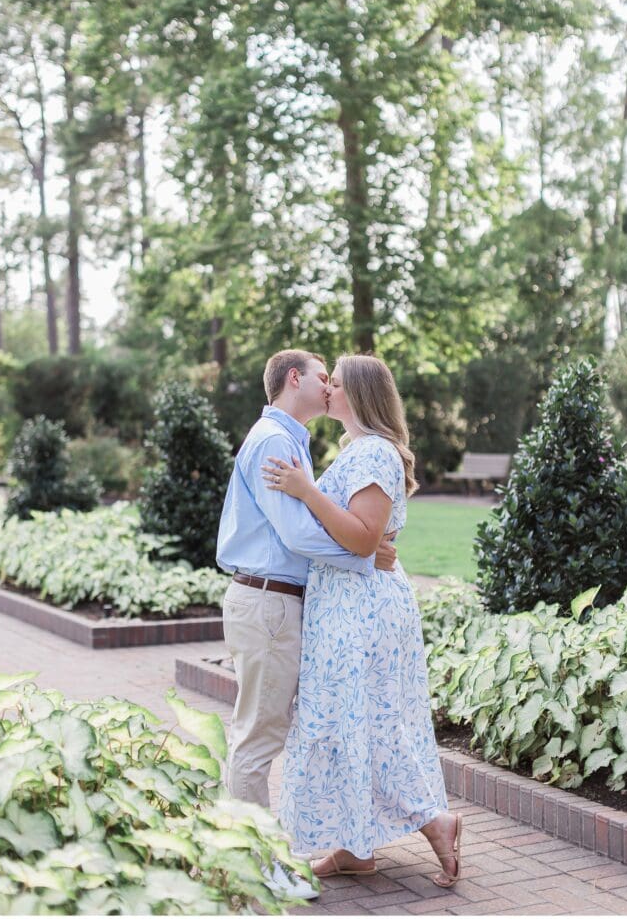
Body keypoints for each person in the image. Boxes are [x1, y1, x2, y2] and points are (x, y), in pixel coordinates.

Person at [261, 354, 462, 889]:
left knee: (359, 721)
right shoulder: (359, 450)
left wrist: (305, 491)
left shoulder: (373, 453)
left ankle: (434, 820)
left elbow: (364, 538)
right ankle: (355, 848)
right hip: (348, 604)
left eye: (338, 383)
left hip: (362, 611)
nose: (327, 388)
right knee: (349, 722)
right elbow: (361, 539)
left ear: (361, 396)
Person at [215, 350, 397, 898]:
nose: (328, 386)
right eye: (323, 376)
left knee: (262, 731)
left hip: (275, 603)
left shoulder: (291, 442)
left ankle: (255, 857)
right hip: (268, 603)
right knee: (257, 737)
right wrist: (365, 554)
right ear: (295, 378)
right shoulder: (275, 442)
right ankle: (257, 866)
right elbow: (296, 535)